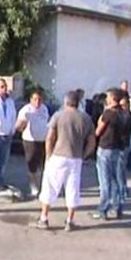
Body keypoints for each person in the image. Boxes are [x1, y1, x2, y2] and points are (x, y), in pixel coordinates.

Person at [36, 91, 96, 232]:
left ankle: (44, 218)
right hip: (75, 157)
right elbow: (92, 141)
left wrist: (48, 155)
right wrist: (84, 154)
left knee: (50, 186)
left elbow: (50, 137)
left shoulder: (58, 116)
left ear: (65, 102)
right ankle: (70, 220)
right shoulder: (85, 118)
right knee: (72, 188)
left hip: (58, 155)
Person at [92, 88, 124, 220]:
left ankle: (103, 209)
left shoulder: (109, 113)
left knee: (105, 181)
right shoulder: (123, 113)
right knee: (115, 180)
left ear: (112, 98)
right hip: (118, 148)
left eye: (108, 97)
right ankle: (117, 207)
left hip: (105, 148)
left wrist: (101, 117)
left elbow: (98, 131)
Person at [15, 89, 50, 197]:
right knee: (32, 165)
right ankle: (34, 187)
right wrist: (22, 125)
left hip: (43, 140)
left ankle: (44, 187)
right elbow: (18, 126)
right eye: (35, 99)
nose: (37, 102)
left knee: (44, 165)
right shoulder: (26, 110)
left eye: (39, 99)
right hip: (30, 140)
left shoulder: (44, 109)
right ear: (31, 100)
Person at [117, 94, 131, 202]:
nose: (121, 107)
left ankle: (122, 191)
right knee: (120, 170)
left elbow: (122, 130)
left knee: (120, 170)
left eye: (123, 105)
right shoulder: (125, 114)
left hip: (123, 145)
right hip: (124, 145)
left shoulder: (127, 116)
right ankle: (123, 190)